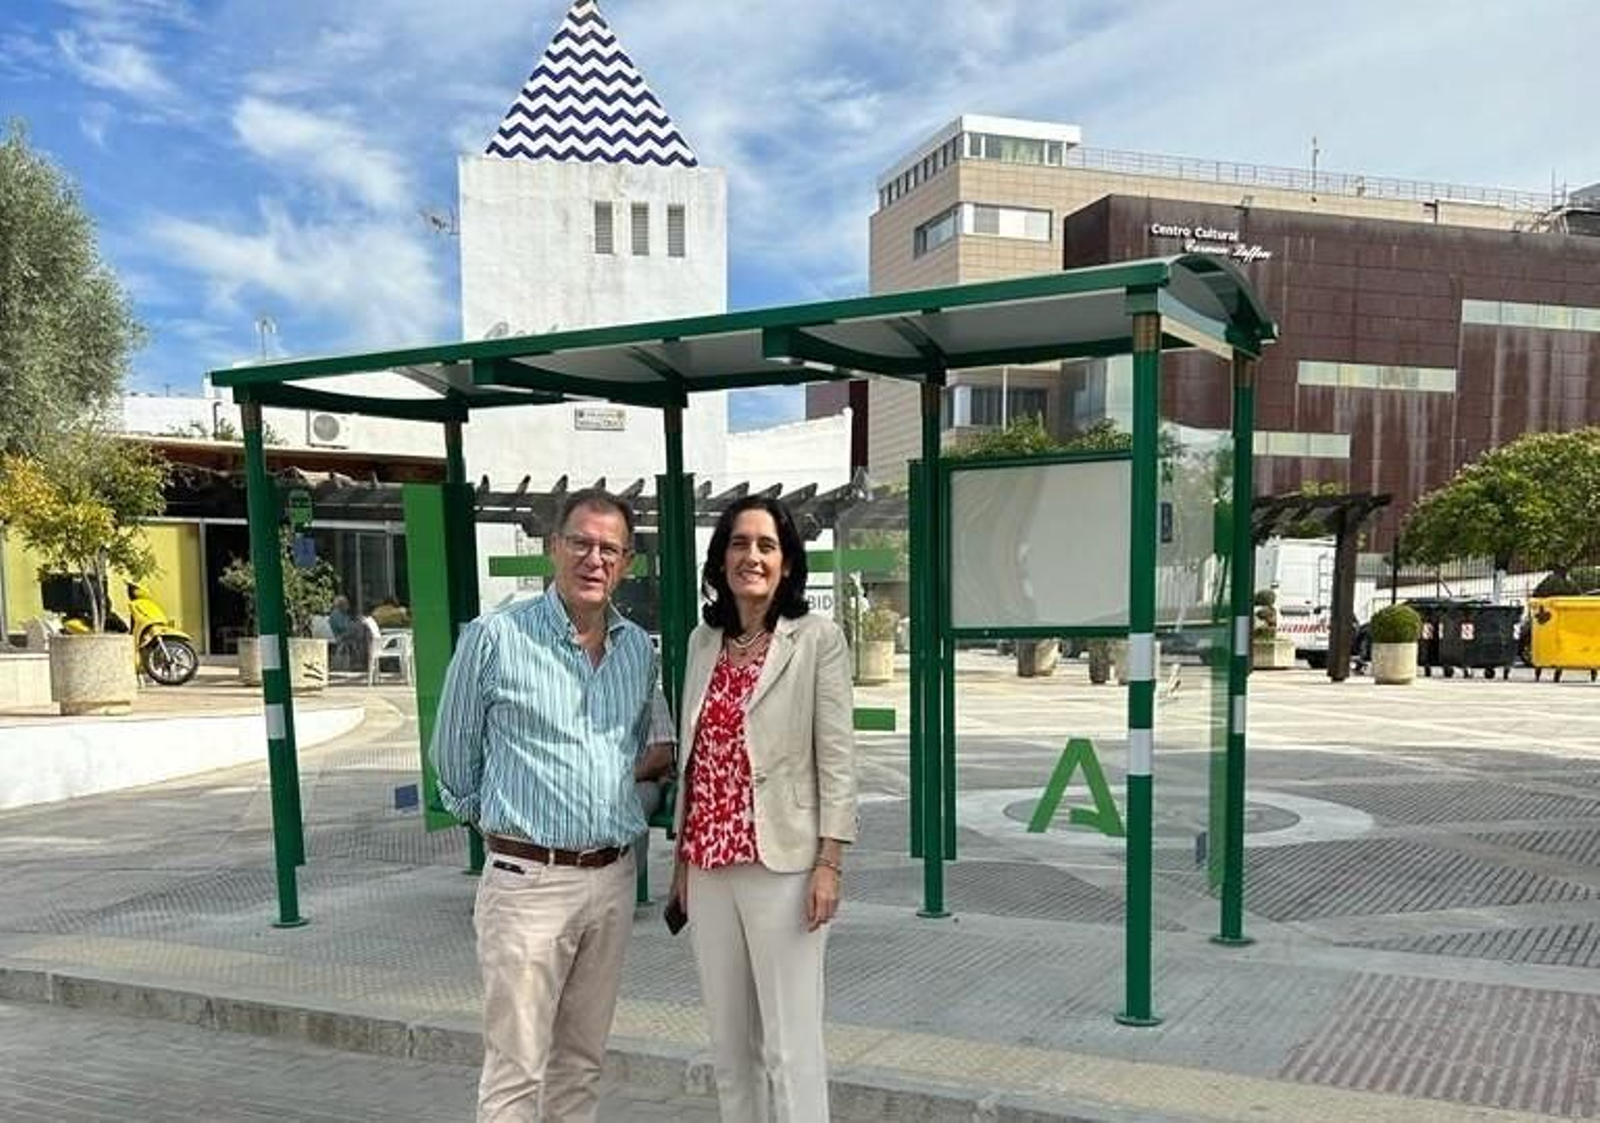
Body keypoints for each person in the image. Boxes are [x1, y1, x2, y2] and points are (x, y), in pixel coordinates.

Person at [429, 489, 674, 1122]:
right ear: (553, 548)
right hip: (527, 882)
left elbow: (656, 744)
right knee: (515, 1069)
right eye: (582, 543)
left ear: (625, 563)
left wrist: (614, 795)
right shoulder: (495, 638)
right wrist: (511, 830)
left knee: (582, 1062)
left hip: (613, 880)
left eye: (611, 549)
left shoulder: (636, 653)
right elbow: (453, 761)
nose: (595, 559)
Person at [668, 495, 857, 1122]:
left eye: (767, 546)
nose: (752, 556)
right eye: (740, 543)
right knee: (729, 1048)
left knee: (789, 1046)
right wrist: (679, 866)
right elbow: (693, 759)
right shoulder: (703, 641)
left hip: (783, 865)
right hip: (709, 865)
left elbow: (837, 758)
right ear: (722, 559)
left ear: (786, 563)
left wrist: (829, 863)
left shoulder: (815, 640)